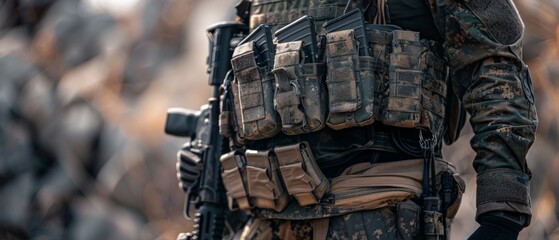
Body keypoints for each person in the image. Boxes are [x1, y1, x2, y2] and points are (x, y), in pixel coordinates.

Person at [174, 0, 537, 239]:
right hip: (266, 221)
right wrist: (220, 169)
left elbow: (494, 67)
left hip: (375, 213)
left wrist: (501, 210)